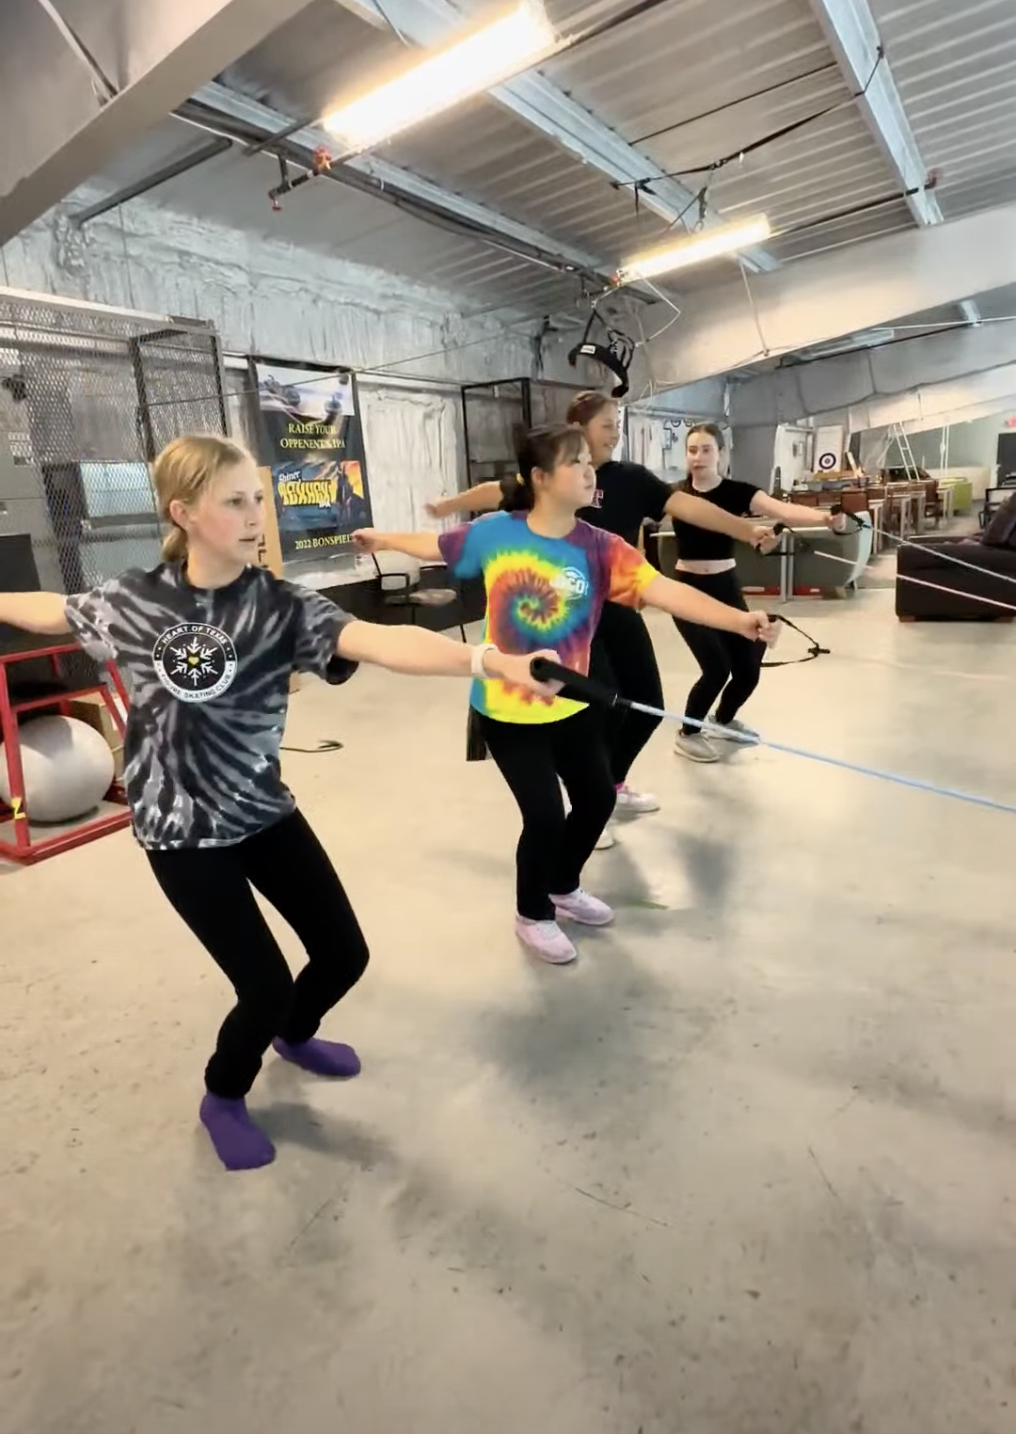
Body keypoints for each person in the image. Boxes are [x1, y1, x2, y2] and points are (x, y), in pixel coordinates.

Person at [0, 435, 557, 1173]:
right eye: (235, 501)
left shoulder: (286, 606)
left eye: (258, 498)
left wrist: (487, 659)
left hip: (262, 812)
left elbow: (380, 642)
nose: (256, 514)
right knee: (259, 987)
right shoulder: (135, 599)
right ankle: (223, 1095)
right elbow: (54, 610)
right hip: (180, 832)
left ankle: (296, 1033)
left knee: (343, 954)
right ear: (184, 512)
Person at [355, 424, 773, 966]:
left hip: (573, 703)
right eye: (574, 462)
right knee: (546, 817)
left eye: (587, 461)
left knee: (598, 799)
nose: (588, 470)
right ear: (540, 478)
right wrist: (383, 540)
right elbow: (434, 546)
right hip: (507, 709)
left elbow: (663, 589)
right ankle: (532, 913)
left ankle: (562, 886)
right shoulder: (496, 532)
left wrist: (738, 621)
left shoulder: (600, 547)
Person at [426, 392, 776, 845]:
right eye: (607, 423)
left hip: (620, 604)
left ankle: (607, 787)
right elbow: (497, 491)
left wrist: (745, 529)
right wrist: (448, 506)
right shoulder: (556, 475)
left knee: (646, 703)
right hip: (569, 616)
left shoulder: (631, 478)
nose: (616, 431)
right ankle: (587, 802)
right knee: (596, 707)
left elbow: (688, 507)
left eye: (617, 423)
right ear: (578, 430)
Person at [670, 423, 848, 763]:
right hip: (687, 589)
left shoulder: (737, 491)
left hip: (725, 585)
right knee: (716, 669)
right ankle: (688, 733)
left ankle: (721, 721)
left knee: (748, 668)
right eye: (692, 450)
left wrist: (825, 520)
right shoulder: (676, 494)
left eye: (706, 449)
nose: (698, 457)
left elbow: (782, 510)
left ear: (721, 453)